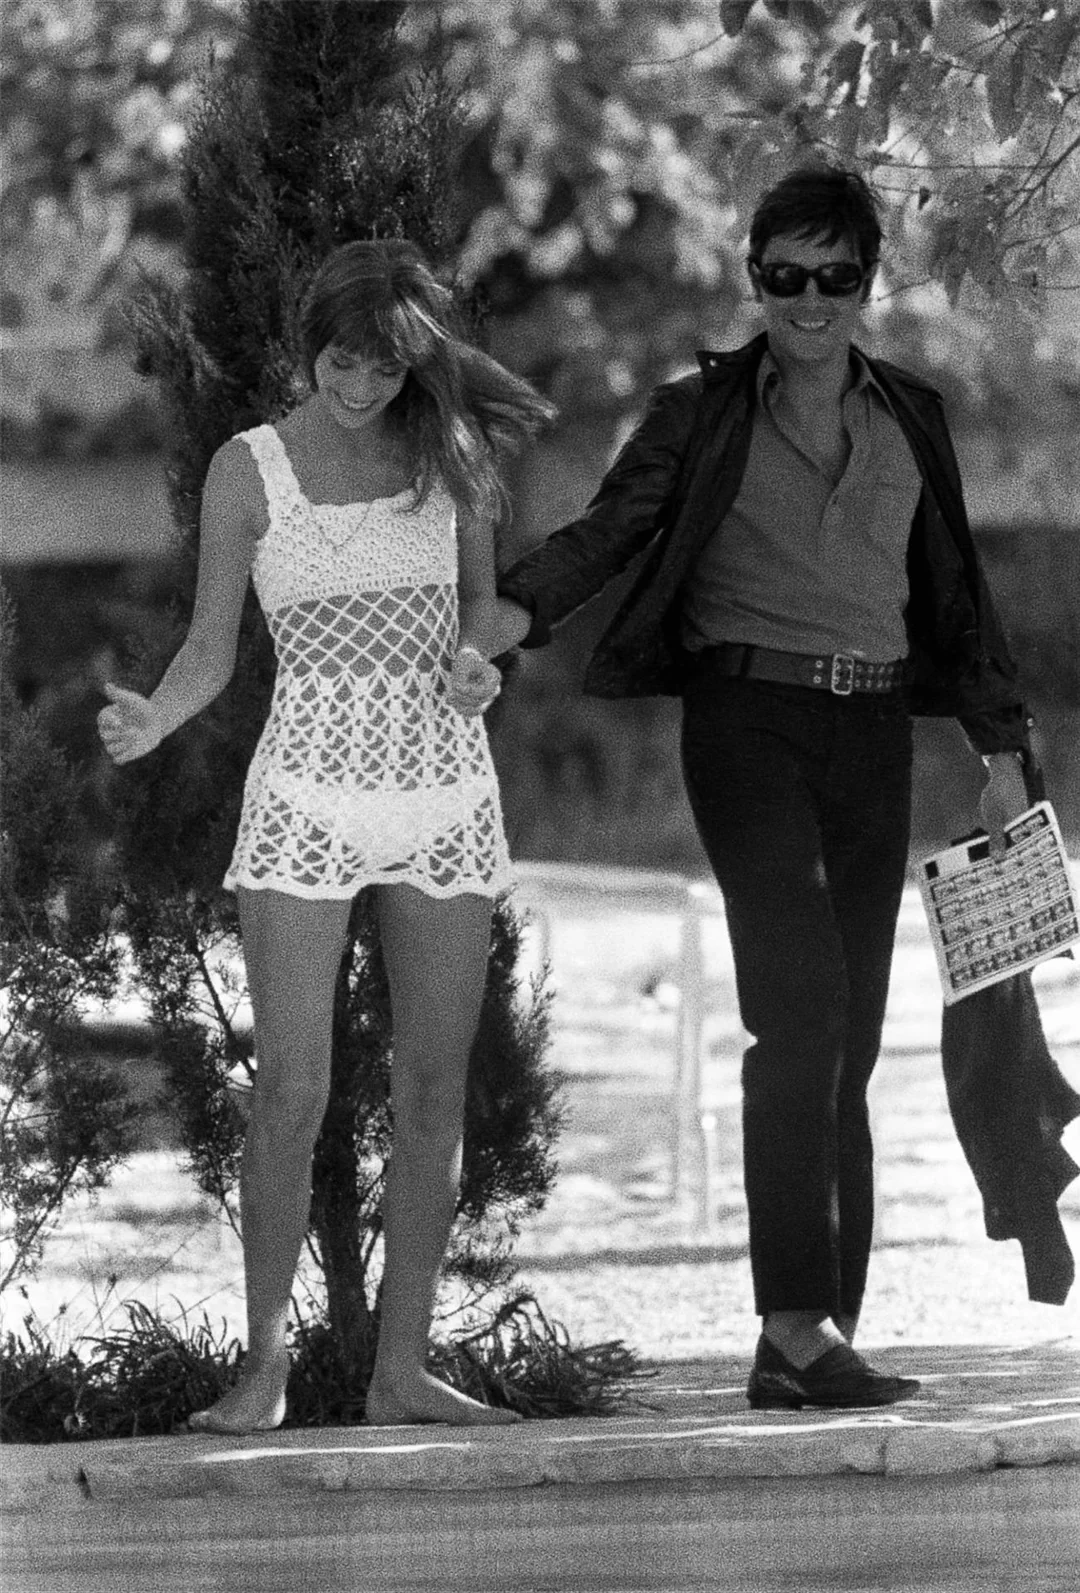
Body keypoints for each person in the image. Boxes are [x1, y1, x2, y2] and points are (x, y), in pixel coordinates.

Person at [487, 166, 1035, 1409]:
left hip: (874, 731)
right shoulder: (702, 413)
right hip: (747, 724)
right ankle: (793, 1324)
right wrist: (513, 610)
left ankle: (820, 1324)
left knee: (852, 1027)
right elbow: (611, 528)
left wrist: (1000, 751)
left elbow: (957, 596)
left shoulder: (913, 417)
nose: (809, 299)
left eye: (834, 275)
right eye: (786, 276)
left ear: (867, 281)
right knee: (800, 1012)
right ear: (755, 279)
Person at [98, 238, 553, 1435]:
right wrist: (157, 718)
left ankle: (402, 1371)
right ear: (309, 348)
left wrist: (478, 666)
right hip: (306, 791)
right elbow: (212, 648)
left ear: (415, 364)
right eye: (342, 362)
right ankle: (263, 1373)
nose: (359, 386)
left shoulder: (449, 455)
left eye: (385, 368)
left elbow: (483, 613)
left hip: (443, 791)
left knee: (433, 1089)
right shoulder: (247, 470)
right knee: (291, 1089)